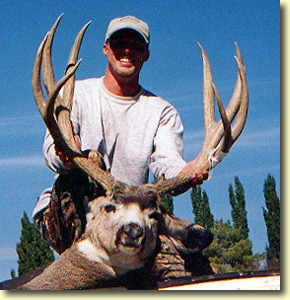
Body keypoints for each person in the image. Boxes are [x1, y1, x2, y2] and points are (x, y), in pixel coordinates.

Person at [32, 16, 211, 276]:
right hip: (75, 215)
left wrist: (186, 172)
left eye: (136, 45)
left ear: (146, 54)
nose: (127, 50)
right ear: (106, 48)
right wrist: (67, 154)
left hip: (132, 219)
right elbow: (52, 150)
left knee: (186, 262)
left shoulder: (161, 111)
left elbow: (167, 164)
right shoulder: (76, 95)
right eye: (119, 43)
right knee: (89, 164)